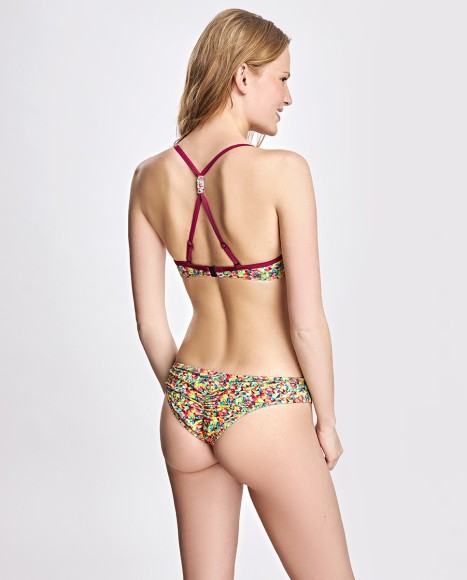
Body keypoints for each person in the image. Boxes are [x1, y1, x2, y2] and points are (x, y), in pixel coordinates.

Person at [128, 8, 355, 579]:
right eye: (282, 78)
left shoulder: (148, 178)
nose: (288, 97)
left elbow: (151, 324)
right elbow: (306, 322)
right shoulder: (284, 172)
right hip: (266, 404)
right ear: (242, 76)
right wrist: (327, 421)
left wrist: (191, 400)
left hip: (187, 402)